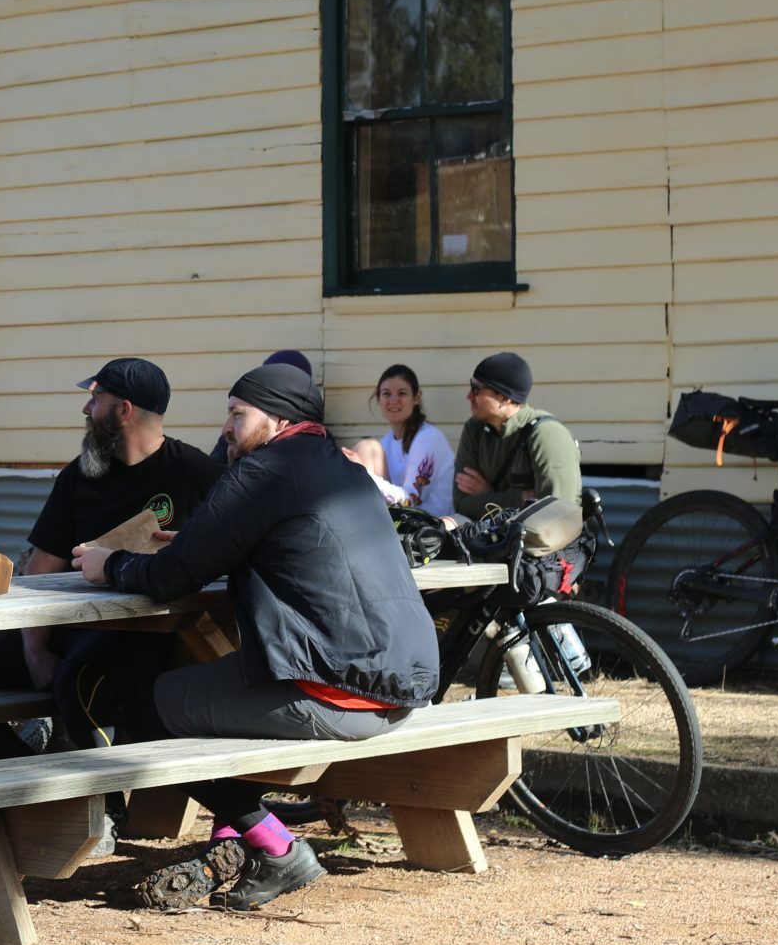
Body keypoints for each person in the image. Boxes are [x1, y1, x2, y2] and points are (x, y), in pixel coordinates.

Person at [71, 362, 440, 912]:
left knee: (145, 710)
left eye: (237, 414)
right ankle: (230, 840)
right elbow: (278, 540)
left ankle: (277, 848)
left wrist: (111, 563)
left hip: (335, 690)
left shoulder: (263, 471)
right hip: (405, 685)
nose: (226, 427)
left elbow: (171, 578)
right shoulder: (341, 469)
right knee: (217, 693)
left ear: (276, 419)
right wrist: (198, 540)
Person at [0, 359, 219, 750]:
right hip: (68, 626)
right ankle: (26, 786)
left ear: (124, 410)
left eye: (95, 399)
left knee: (79, 681)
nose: (85, 410)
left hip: (147, 633)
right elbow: (40, 569)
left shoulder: (196, 473)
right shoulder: (81, 474)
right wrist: (34, 650)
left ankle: (106, 805)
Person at [450, 351, 583, 526]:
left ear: (504, 397)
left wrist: (487, 497)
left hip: (542, 548)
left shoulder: (547, 435)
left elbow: (556, 515)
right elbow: (462, 503)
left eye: (476, 389)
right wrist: (522, 498)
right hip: (490, 537)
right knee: (446, 525)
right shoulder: (474, 429)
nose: (469, 396)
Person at [372, 363, 456, 519]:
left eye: (402, 393)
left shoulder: (429, 438)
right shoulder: (385, 442)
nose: (393, 400)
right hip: (405, 528)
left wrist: (365, 475)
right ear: (378, 398)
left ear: (417, 397)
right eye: (386, 394)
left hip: (435, 532)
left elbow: (410, 501)